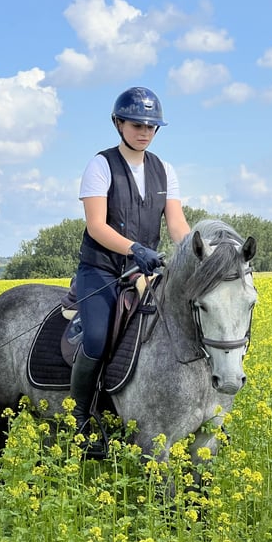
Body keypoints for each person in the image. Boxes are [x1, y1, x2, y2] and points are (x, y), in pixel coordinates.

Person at [70, 86, 190, 444]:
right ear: (118, 123)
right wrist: (134, 247)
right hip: (102, 272)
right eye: (137, 124)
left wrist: (199, 251)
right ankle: (82, 416)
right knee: (96, 337)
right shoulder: (100, 165)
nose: (145, 132)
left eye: (152, 127)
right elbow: (96, 225)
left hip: (144, 273)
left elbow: (176, 225)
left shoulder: (165, 171)